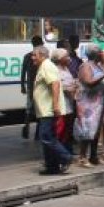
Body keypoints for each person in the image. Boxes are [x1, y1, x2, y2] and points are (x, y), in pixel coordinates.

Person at [31, 45, 73, 175]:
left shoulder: (47, 66)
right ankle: (52, 166)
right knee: (48, 138)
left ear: (42, 55)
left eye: (34, 55)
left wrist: (55, 105)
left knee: (47, 137)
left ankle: (65, 157)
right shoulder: (44, 66)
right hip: (45, 110)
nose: (32, 57)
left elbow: (55, 85)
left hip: (49, 110)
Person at [76, 45, 104, 167]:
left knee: (96, 131)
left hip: (98, 104)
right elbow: (88, 82)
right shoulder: (86, 66)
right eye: (101, 52)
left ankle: (93, 156)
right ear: (96, 54)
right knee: (87, 131)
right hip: (87, 105)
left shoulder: (98, 65)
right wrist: (103, 76)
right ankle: (82, 157)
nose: (103, 53)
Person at [51, 48, 77, 153]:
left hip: (69, 107)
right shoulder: (56, 71)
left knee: (67, 131)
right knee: (61, 132)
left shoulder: (66, 69)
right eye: (66, 56)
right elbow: (65, 88)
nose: (69, 58)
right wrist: (74, 90)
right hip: (63, 107)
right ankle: (62, 154)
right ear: (60, 59)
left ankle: (67, 151)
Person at [19, 35, 44, 139]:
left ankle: (26, 126)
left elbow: (23, 72)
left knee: (29, 109)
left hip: (30, 86)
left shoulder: (27, 56)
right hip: (40, 87)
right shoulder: (42, 57)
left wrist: (22, 86)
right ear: (41, 44)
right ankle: (37, 133)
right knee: (40, 110)